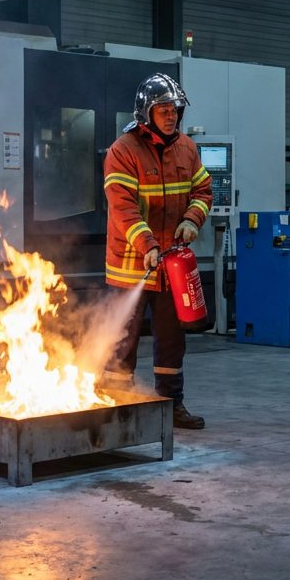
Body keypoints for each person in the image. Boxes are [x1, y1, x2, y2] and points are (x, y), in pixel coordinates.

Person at [103, 73, 212, 430]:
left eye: (175, 109)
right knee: (123, 341)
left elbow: (203, 191)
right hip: (131, 266)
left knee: (171, 340)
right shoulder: (123, 151)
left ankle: (171, 404)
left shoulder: (187, 148)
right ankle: (117, 410)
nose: (171, 116)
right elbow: (123, 208)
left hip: (171, 268)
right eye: (163, 109)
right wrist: (148, 245)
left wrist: (193, 219)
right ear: (145, 113)